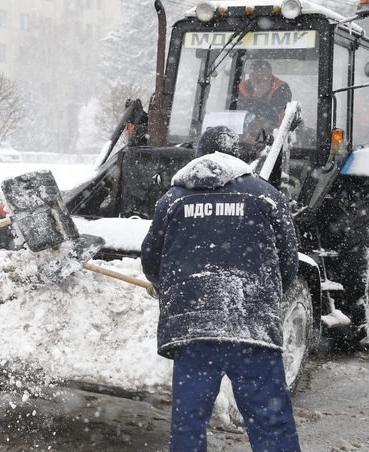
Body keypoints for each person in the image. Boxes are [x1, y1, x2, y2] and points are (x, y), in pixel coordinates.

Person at [140, 125, 301, 452]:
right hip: (251, 327)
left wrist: (164, 287)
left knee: (189, 422)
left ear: (199, 155)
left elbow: (151, 257)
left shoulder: (172, 200)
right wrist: (265, 298)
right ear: (238, 156)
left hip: (193, 330)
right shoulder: (265, 195)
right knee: (270, 420)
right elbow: (288, 260)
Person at [236, 59, 292, 125]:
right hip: (246, 129)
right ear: (250, 78)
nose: (260, 83)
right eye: (257, 79)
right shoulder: (241, 88)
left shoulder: (281, 88)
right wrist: (256, 95)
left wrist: (260, 96)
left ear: (271, 77)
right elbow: (239, 114)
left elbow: (274, 115)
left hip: (275, 131)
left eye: (264, 79)